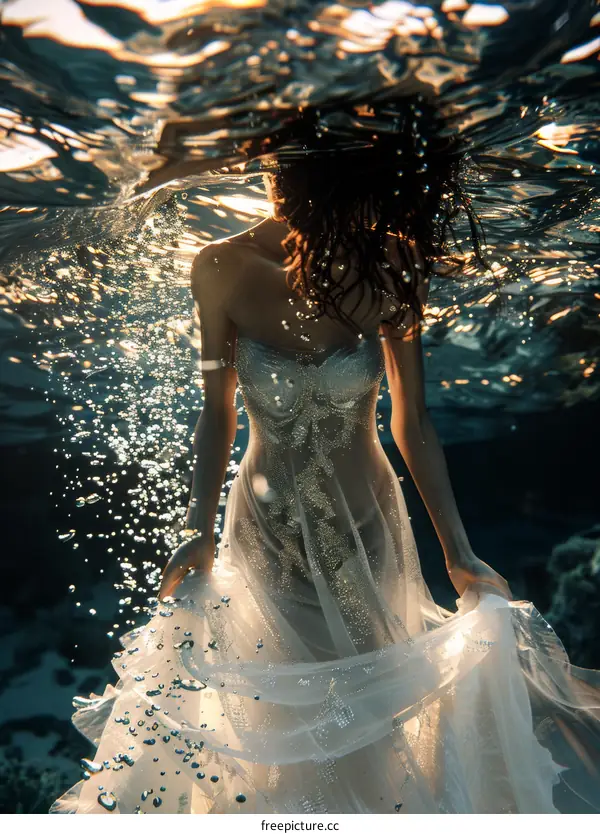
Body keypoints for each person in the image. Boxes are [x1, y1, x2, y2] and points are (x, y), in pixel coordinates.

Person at [52, 100, 600, 815]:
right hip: (266, 530)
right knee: (281, 707)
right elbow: (215, 412)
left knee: (374, 706)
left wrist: (459, 551)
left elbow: (415, 421)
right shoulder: (218, 267)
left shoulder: (393, 259)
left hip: (369, 524)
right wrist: (196, 524)